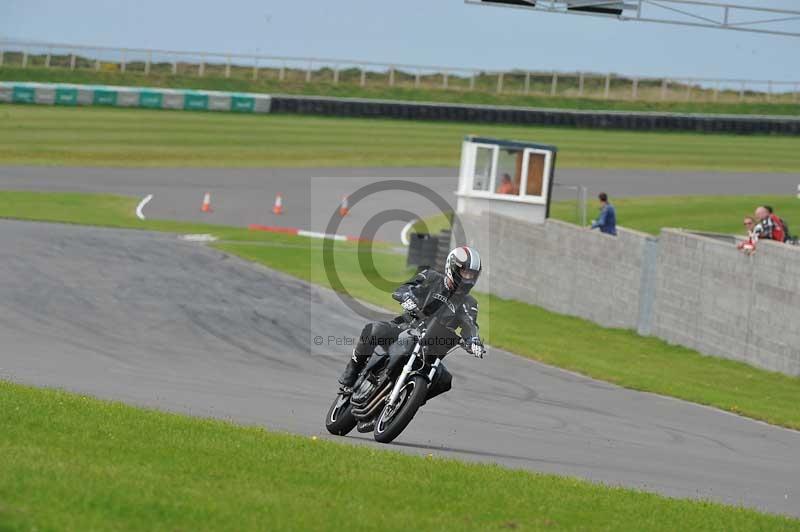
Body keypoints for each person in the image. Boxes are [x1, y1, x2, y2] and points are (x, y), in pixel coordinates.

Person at [339, 246, 485, 388]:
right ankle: (351, 373)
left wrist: (474, 341)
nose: (468, 278)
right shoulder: (431, 277)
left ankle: (408, 398)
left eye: (472, 275)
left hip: (432, 348)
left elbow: (470, 324)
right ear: (452, 267)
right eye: (465, 272)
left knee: (444, 380)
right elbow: (404, 289)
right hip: (405, 328)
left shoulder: (468, 303)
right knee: (374, 330)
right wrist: (407, 298)